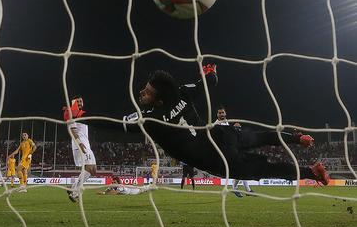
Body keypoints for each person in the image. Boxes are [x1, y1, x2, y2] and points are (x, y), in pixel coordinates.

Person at [123, 65, 329, 185]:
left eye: (147, 91)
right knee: (258, 136)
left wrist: (89, 117)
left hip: (217, 158)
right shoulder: (181, 92)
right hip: (221, 134)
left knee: (266, 169)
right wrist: (210, 72)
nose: (142, 92)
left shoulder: (150, 120)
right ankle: (296, 138)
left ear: (159, 101)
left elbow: (114, 124)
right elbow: (210, 81)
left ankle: (311, 172)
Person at [63, 96, 97, 202]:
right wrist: (80, 143)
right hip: (80, 145)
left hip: (86, 144)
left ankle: (72, 187)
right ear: (73, 102)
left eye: (81, 100)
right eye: (78, 101)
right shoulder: (71, 113)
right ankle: (74, 191)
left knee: (93, 169)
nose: (80, 102)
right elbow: (72, 130)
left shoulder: (81, 114)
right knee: (90, 168)